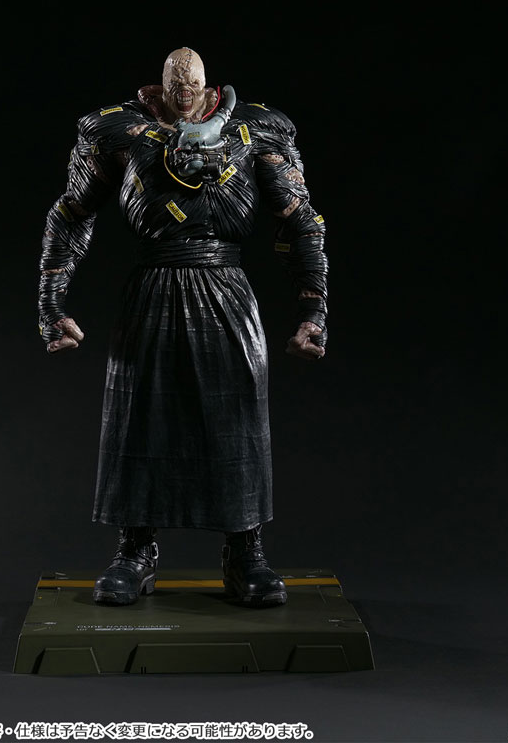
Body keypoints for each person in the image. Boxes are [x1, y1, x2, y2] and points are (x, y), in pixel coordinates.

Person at [37, 47, 327, 608]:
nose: (186, 94)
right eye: (176, 86)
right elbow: (71, 213)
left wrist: (314, 311)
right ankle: (134, 551)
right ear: (163, 86)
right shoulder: (118, 131)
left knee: (237, 418)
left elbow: (301, 220)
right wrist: (51, 306)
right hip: (151, 288)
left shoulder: (256, 131)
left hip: (226, 289)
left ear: (206, 84)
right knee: (140, 418)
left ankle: (245, 552)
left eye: (194, 85)